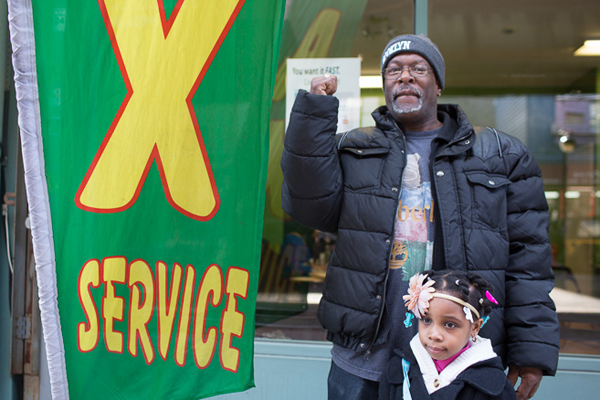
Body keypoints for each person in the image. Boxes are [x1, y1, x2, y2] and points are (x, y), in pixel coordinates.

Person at [280, 33, 559, 400]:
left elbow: (529, 262)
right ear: (384, 86)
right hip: (365, 356)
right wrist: (314, 112)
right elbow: (307, 204)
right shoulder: (355, 149)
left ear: (439, 85)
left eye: (418, 69)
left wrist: (531, 350)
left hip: (457, 361)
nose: (405, 76)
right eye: (394, 70)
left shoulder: (501, 155)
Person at [379, 270, 517, 400]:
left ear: (475, 327)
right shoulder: (399, 369)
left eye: (450, 325)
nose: (434, 335)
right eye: (426, 320)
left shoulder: (494, 385)